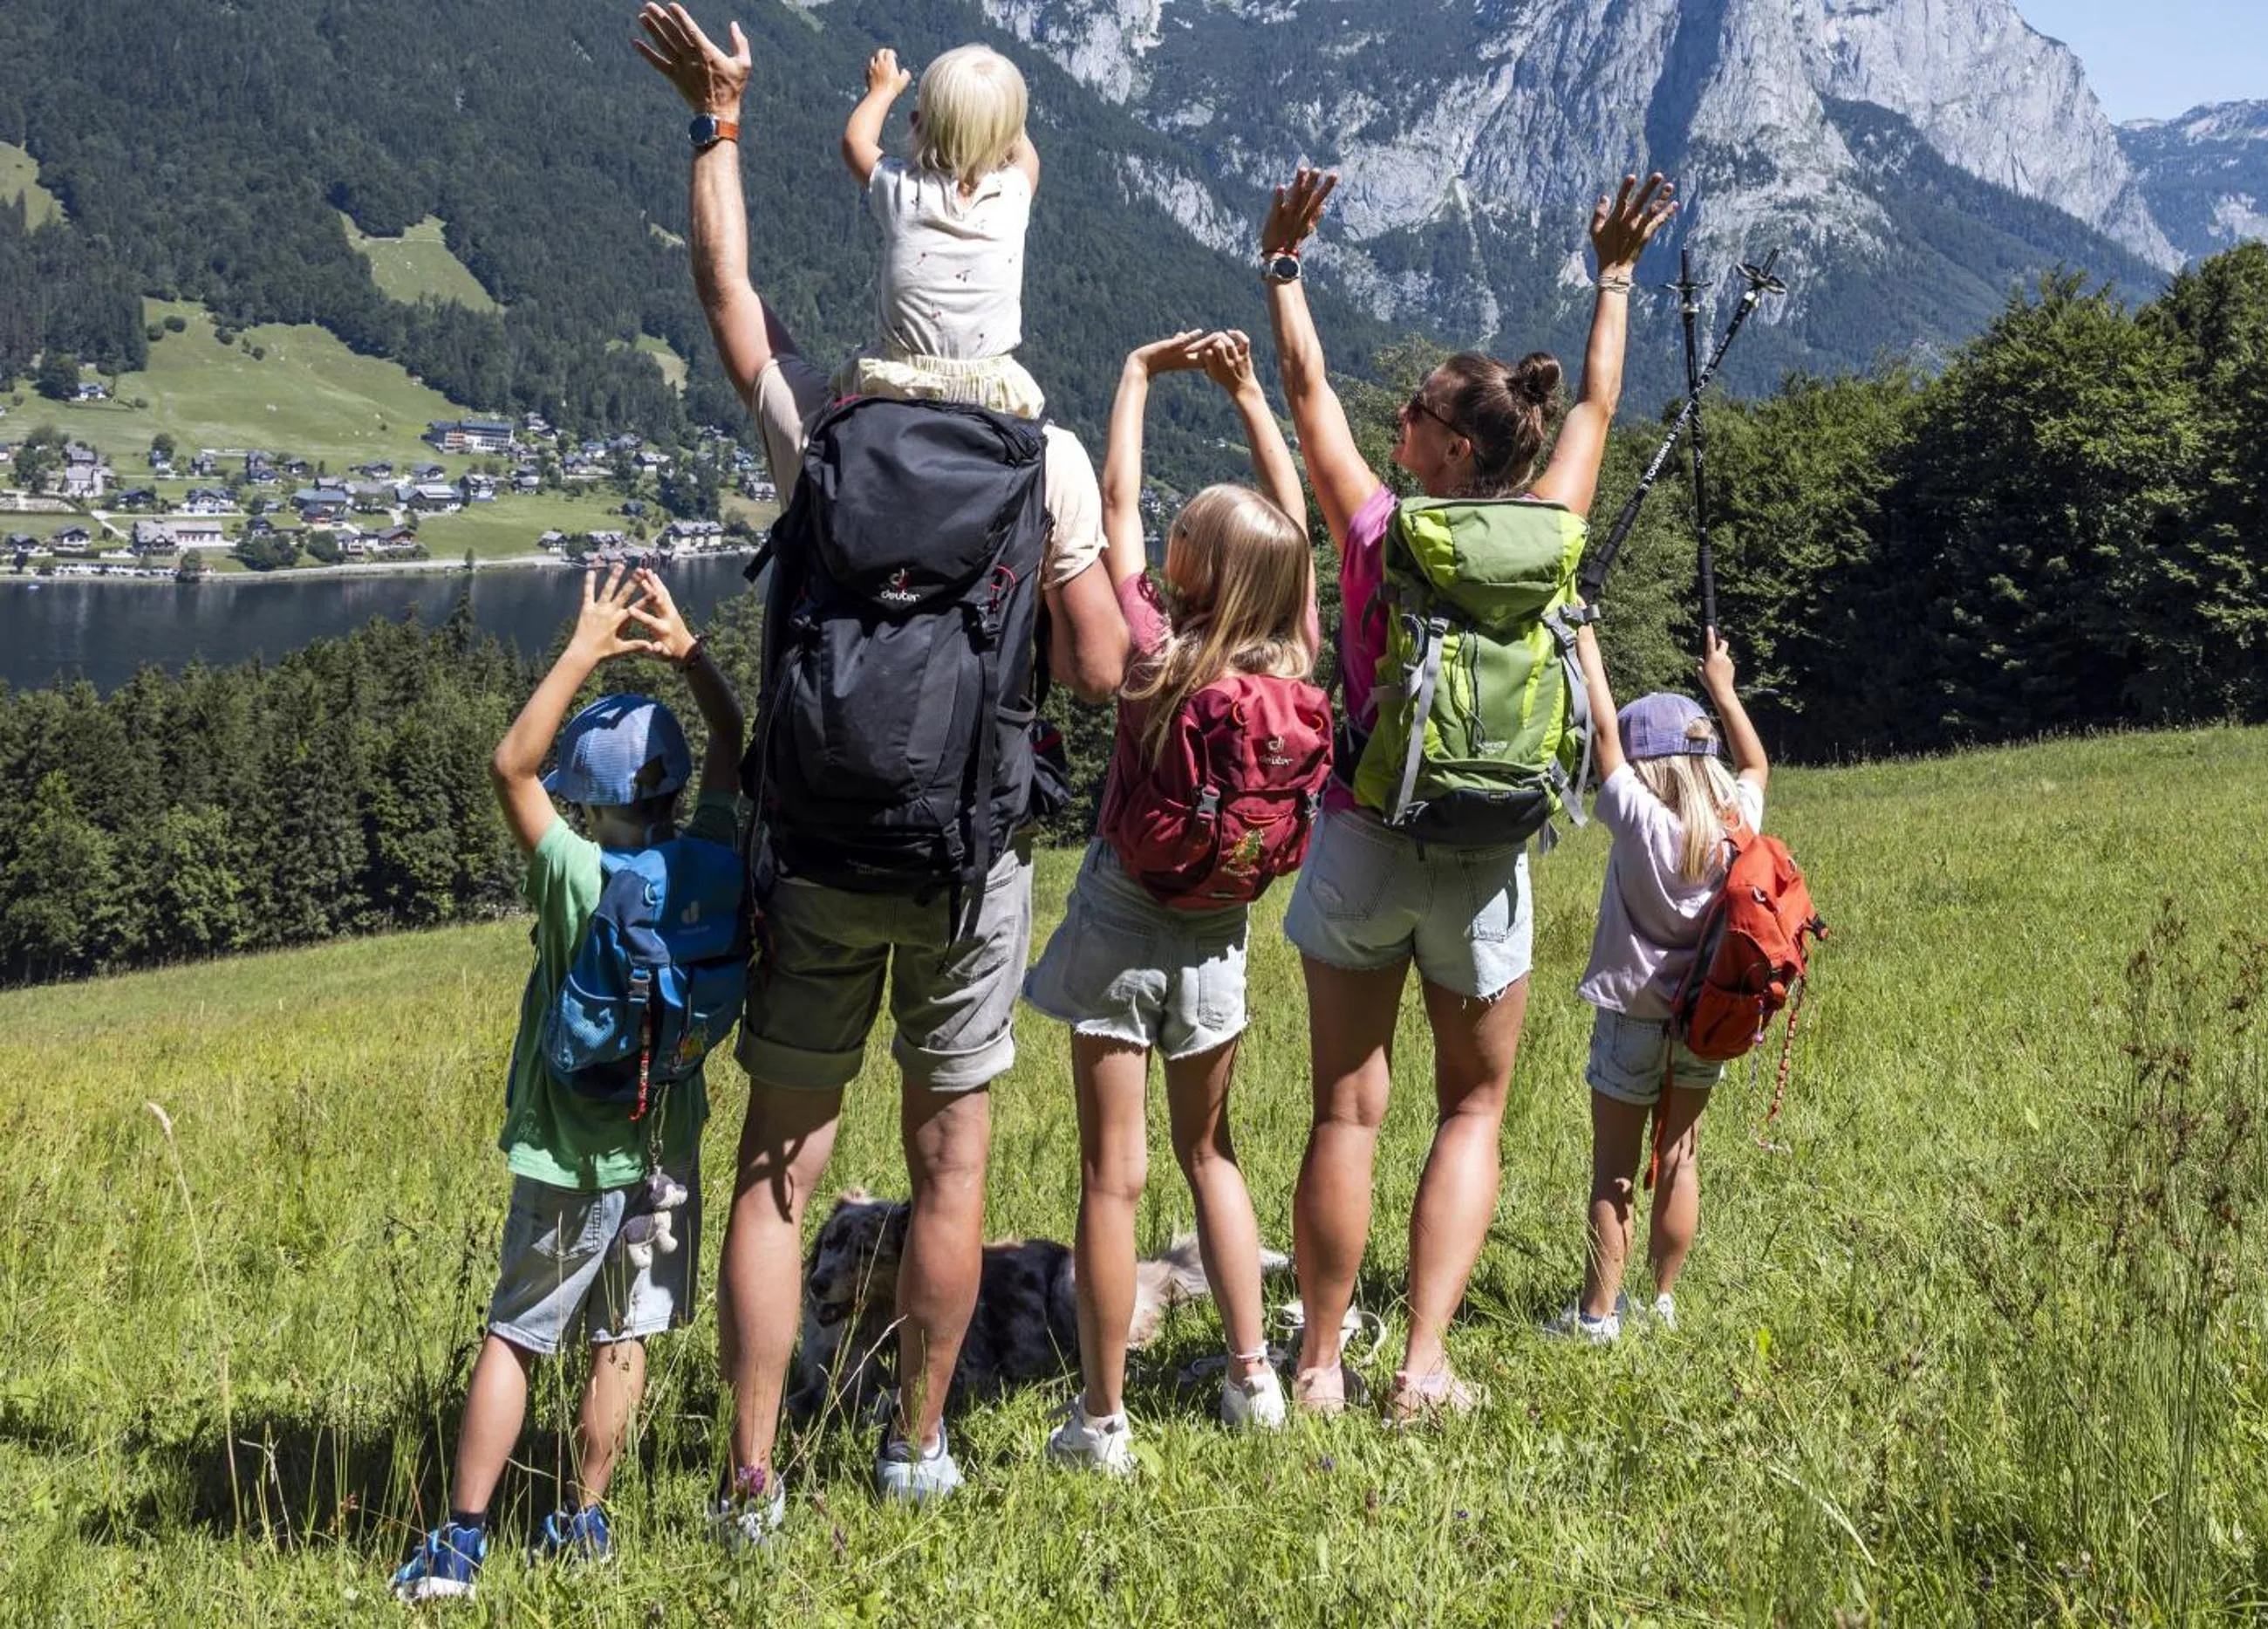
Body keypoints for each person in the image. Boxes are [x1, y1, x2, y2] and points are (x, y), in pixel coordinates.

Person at [632, 3, 1131, 1520]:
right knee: (948, 1159)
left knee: (779, 1169)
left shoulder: (824, 427)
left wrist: (718, 125)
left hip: (814, 844)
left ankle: (749, 1476)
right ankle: (916, 1445)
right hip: (966, 856)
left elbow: (728, 294)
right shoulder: (1043, 462)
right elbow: (1098, 667)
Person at [1258, 164, 1677, 1420]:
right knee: (1471, 1107)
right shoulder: (1553, 526)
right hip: (1488, 863)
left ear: (1450, 446)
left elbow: (1303, 392)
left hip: (1363, 842)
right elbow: (1599, 400)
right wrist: (1613, 275)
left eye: (1413, 414)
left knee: (1347, 1109)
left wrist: (1284, 266)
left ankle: (1318, 1365)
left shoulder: (1379, 530)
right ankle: (1423, 1362)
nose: (1393, 422)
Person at [391, 568, 743, 1601]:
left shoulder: (574, 874)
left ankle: (460, 1543)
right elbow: (733, 741)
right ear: (672, 791)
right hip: (665, 1141)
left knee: (518, 1331)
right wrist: (690, 655)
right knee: (621, 1333)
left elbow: (510, 764)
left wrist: (585, 646)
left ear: (588, 796)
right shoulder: (710, 860)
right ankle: (583, 1519)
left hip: (569, 1146)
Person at [1024, 328, 1319, 1472]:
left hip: (1121, 916)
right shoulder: (1291, 660)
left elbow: (1111, 502)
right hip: (1220, 933)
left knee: (1114, 1174)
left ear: (1190, 568)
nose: (1168, 537)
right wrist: (1252, 401)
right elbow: (1295, 528)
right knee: (1212, 1154)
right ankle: (1253, 1377)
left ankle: (1102, 1420)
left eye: (1183, 533)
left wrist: (1137, 375)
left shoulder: (1156, 654)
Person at [1552, 627, 1767, 1341]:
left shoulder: (1638, 817)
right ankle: (1662, 1301)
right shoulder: (1737, 821)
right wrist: (1723, 689)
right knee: (1679, 1157)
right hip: (1707, 1017)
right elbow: (1755, 763)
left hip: (1631, 1018)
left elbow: (1603, 732)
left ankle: (1596, 1317)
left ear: (1646, 766)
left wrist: (1584, 639)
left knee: (1614, 1173)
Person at [837, 42, 1044, 415]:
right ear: (1009, 140)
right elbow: (1027, 157)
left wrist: (882, 91)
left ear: (916, 123)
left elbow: (856, 142)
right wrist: (1003, 120)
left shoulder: (903, 189)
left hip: (902, 385)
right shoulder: (1015, 192)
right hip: (990, 395)